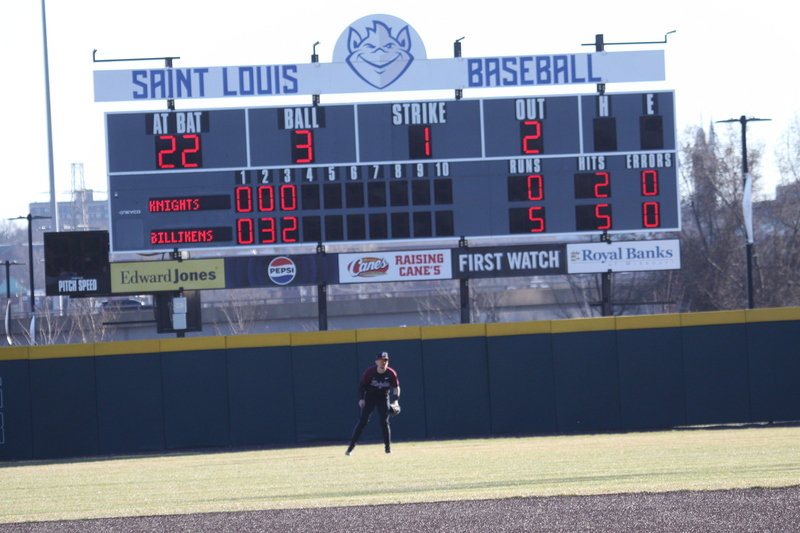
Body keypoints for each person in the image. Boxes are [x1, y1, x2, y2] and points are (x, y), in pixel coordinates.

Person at [346, 351, 400, 455]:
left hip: (383, 398)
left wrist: (396, 401)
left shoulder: (391, 373)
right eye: (381, 360)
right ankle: (351, 447)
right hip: (370, 397)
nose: (383, 363)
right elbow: (362, 386)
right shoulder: (370, 372)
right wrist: (361, 399)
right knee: (362, 422)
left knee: (384, 422)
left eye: (385, 360)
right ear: (376, 362)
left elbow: (396, 387)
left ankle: (387, 448)